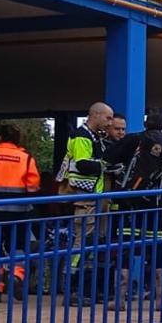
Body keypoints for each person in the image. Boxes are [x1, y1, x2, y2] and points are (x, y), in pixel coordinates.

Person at [103, 109, 162, 310]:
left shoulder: (134, 139)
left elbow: (108, 156)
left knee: (126, 250)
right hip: (158, 206)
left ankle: (119, 300)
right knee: (158, 251)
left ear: (146, 123)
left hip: (132, 204)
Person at [0, 123, 41, 298]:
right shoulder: (26, 158)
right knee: (18, 246)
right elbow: (33, 186)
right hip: (18, 211)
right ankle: (16, 276)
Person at [58, 102, 114, 299]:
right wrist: (106, 166)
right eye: (108, 118)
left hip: (94, 197)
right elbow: (82, 164)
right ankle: (72, 286)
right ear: (96, 115)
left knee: (92, 242)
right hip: (85, 198)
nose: (110, 123)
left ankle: (86, 288)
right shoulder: (82, 136)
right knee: (82, 242)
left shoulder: (93, 136)